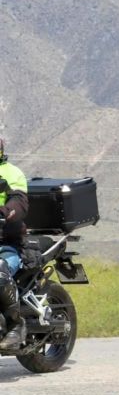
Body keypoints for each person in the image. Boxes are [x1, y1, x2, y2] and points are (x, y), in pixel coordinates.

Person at [0, 139, 30, 350]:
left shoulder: (12, 173)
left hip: (7, 243)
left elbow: (18, 203)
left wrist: (5, 212)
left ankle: (15, 325)